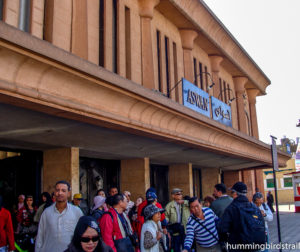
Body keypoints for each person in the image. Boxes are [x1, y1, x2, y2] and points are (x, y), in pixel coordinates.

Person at [35, 180, 83, 252]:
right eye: (57, 190)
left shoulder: (77, 212)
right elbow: (40, 237)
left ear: (69, 193)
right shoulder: (46, 212)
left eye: (63, 190)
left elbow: (82, 235)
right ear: (54, 193)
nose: (60, 193)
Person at [218, 182, 265, 252]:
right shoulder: (254, 207)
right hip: (254, 246)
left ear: (235, 193)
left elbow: (222, 229)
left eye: (232, 192)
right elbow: (262, 223)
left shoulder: (231, 208)